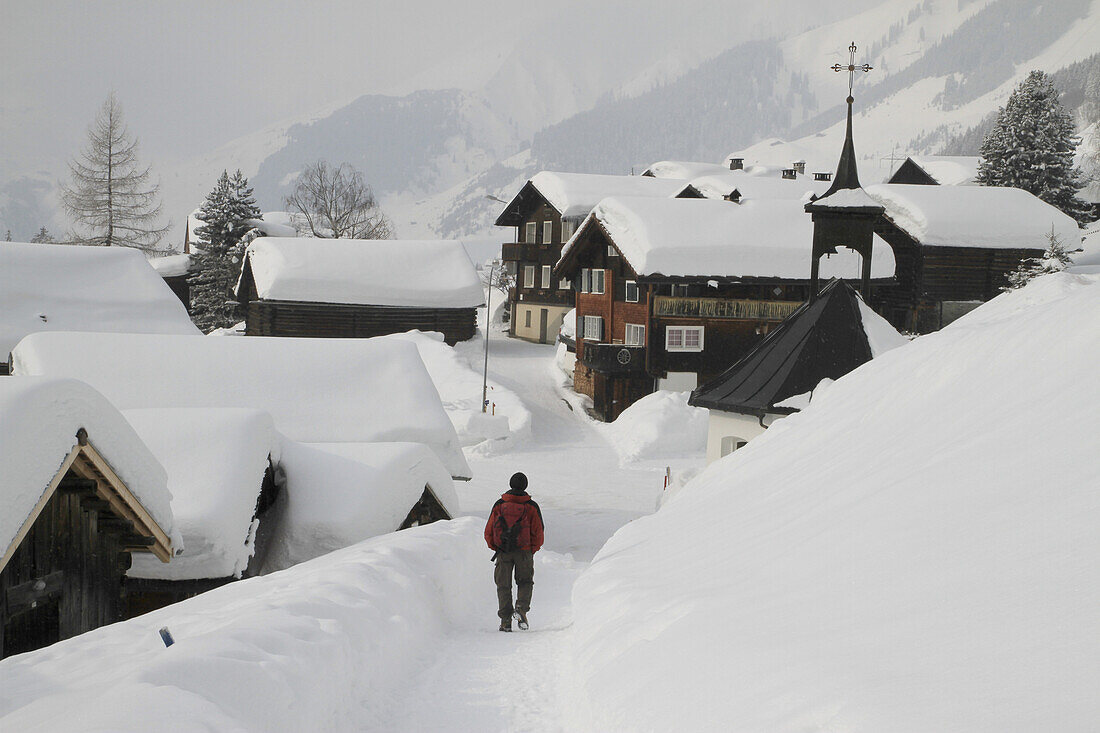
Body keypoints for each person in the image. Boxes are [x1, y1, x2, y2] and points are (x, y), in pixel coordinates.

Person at [484, 472, 544, 631]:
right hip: (524, 552)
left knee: (503, 585)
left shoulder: (499, 504)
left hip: (503, 551)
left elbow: (489, 530)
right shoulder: (531, 506)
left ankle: (505, 621)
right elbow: (538, 531)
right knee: (525, 581)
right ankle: (521, 608)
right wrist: (532, 550)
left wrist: (496, 546)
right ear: (525, 486)